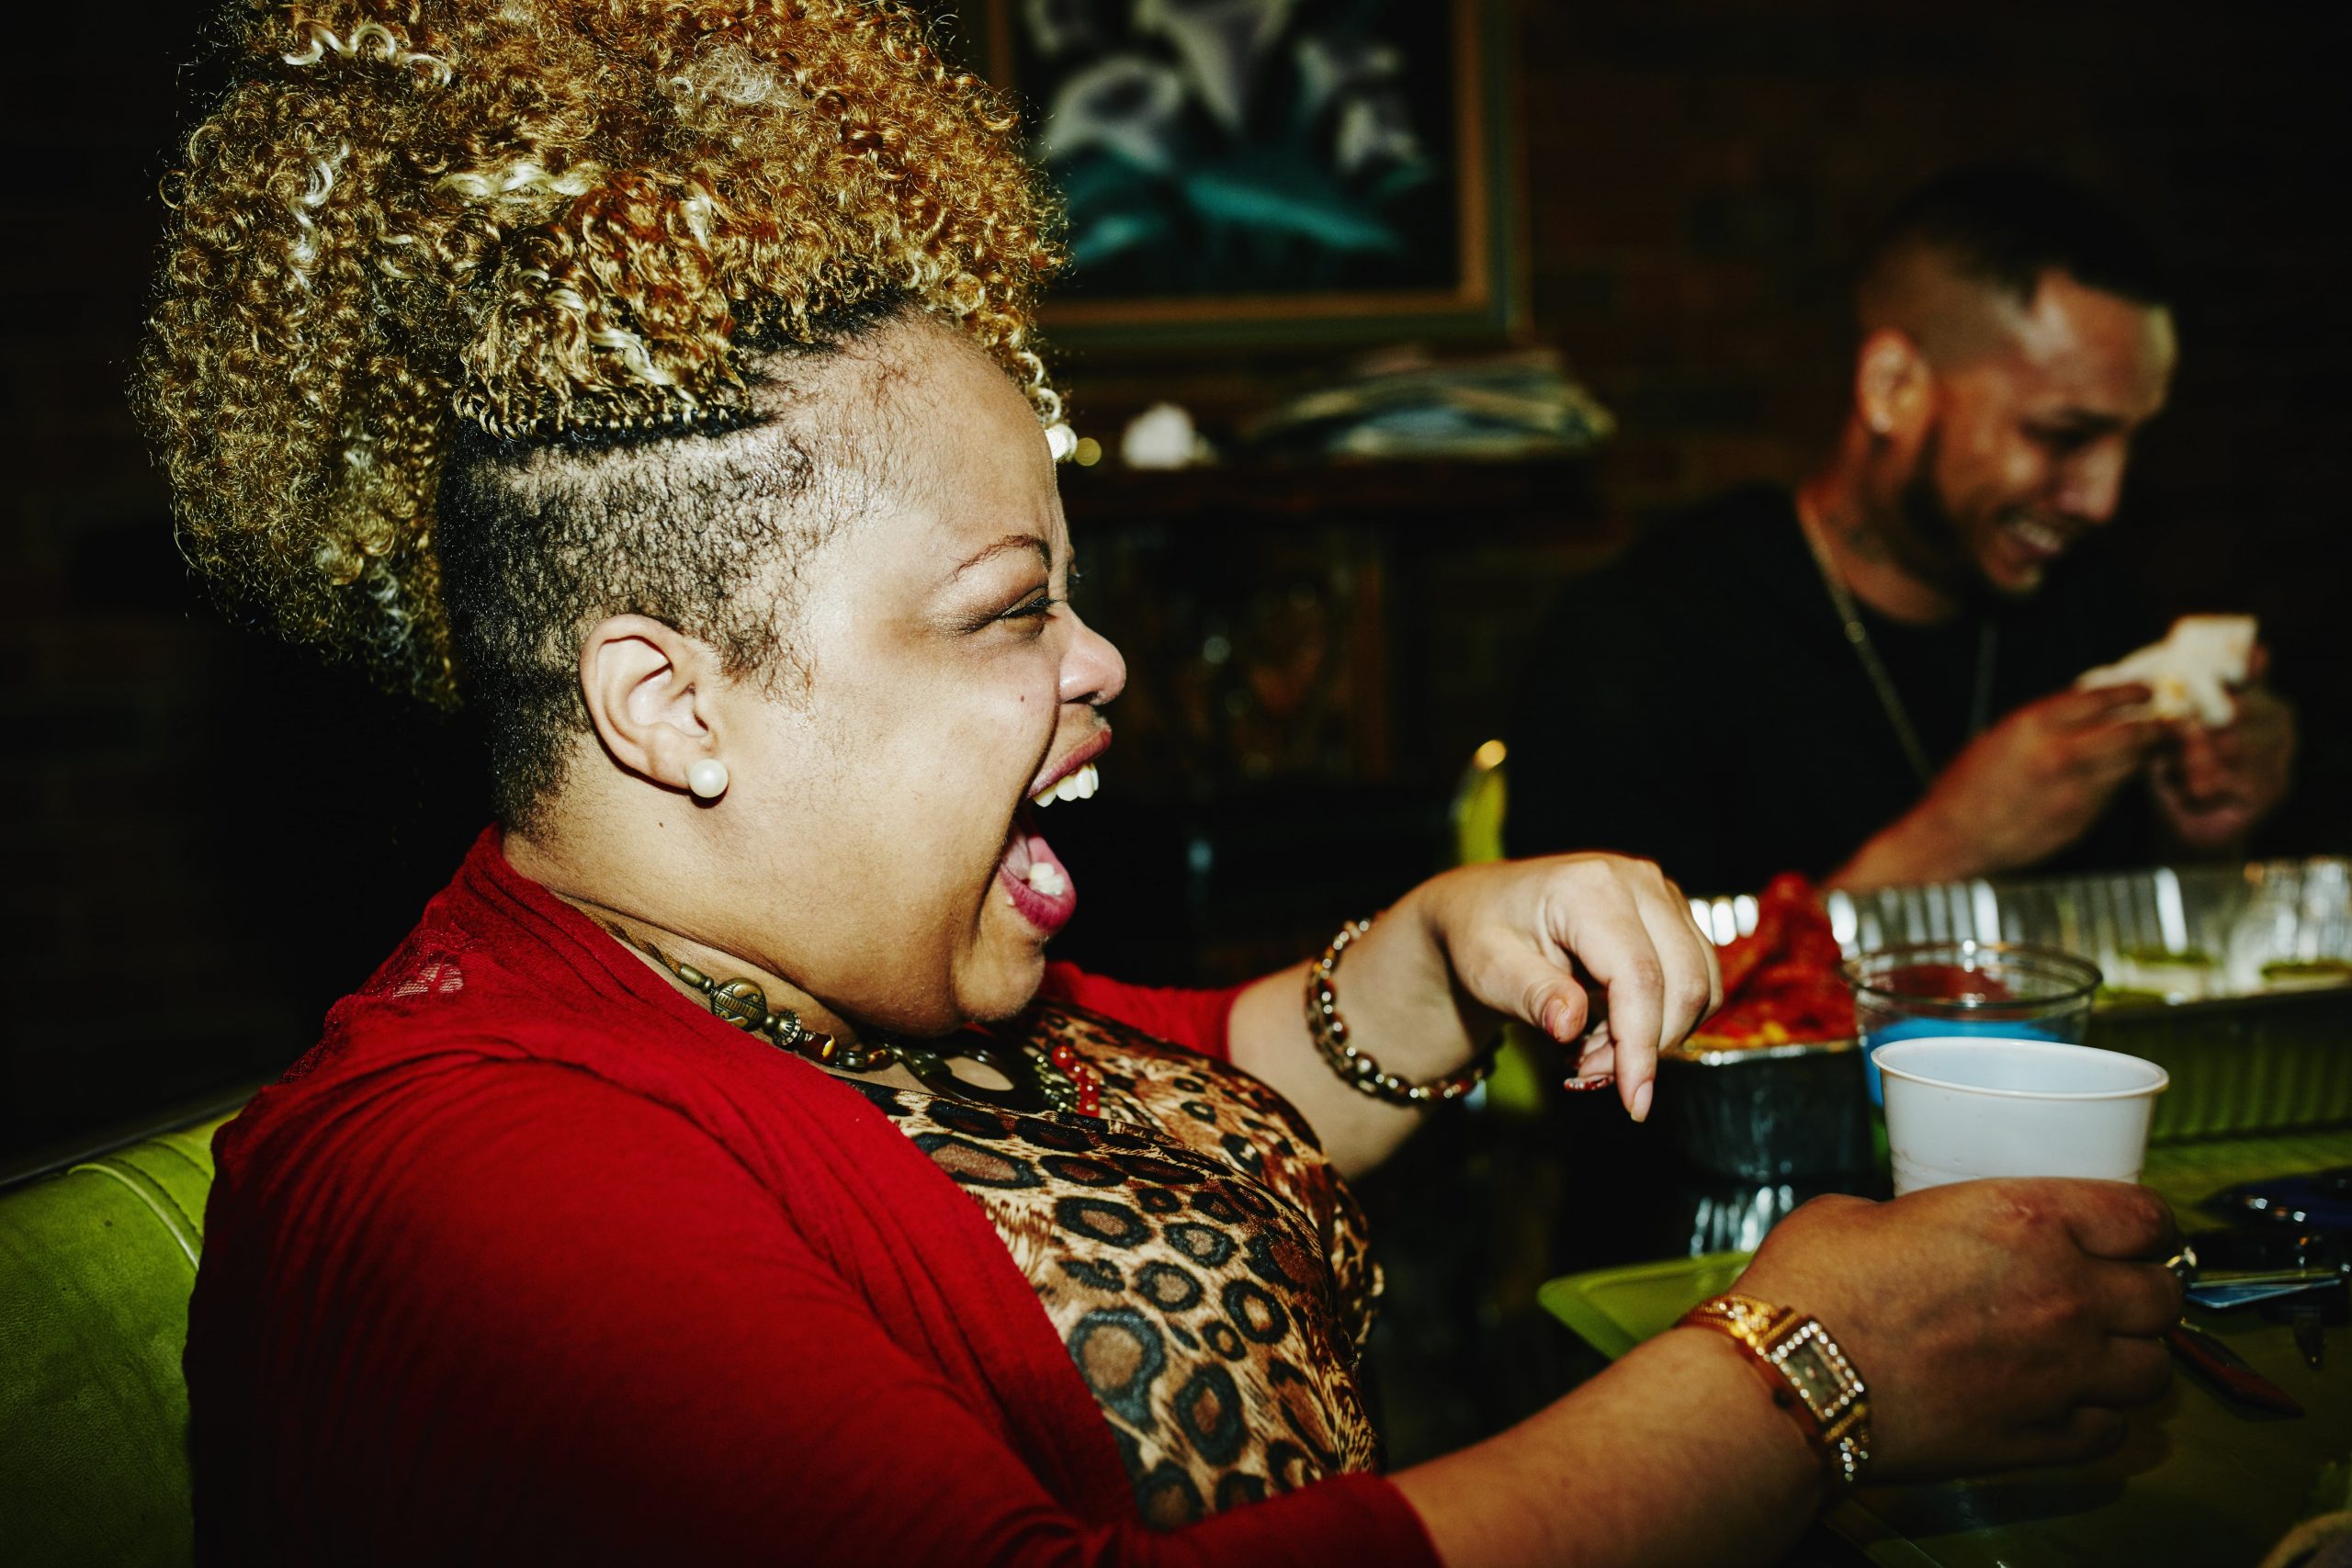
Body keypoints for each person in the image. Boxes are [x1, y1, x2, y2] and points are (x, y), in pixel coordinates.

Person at [144, 7, 2181, 1564]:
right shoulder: (475, 1181)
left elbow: (1178, 1082)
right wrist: (1789, 1383)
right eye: (1003, 611)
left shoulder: (797, 975)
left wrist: (1439, 954)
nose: (1094, 661)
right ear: (672, 707)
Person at [1507, 166, 2296, 896]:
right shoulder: (1640, 643)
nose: (2102, 499)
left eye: (2132, 439)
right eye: (2062, 435)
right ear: (1892, 388)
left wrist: (2196, 837)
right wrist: (1948, 845)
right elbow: (1607, 1027)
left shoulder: (2096, 614)